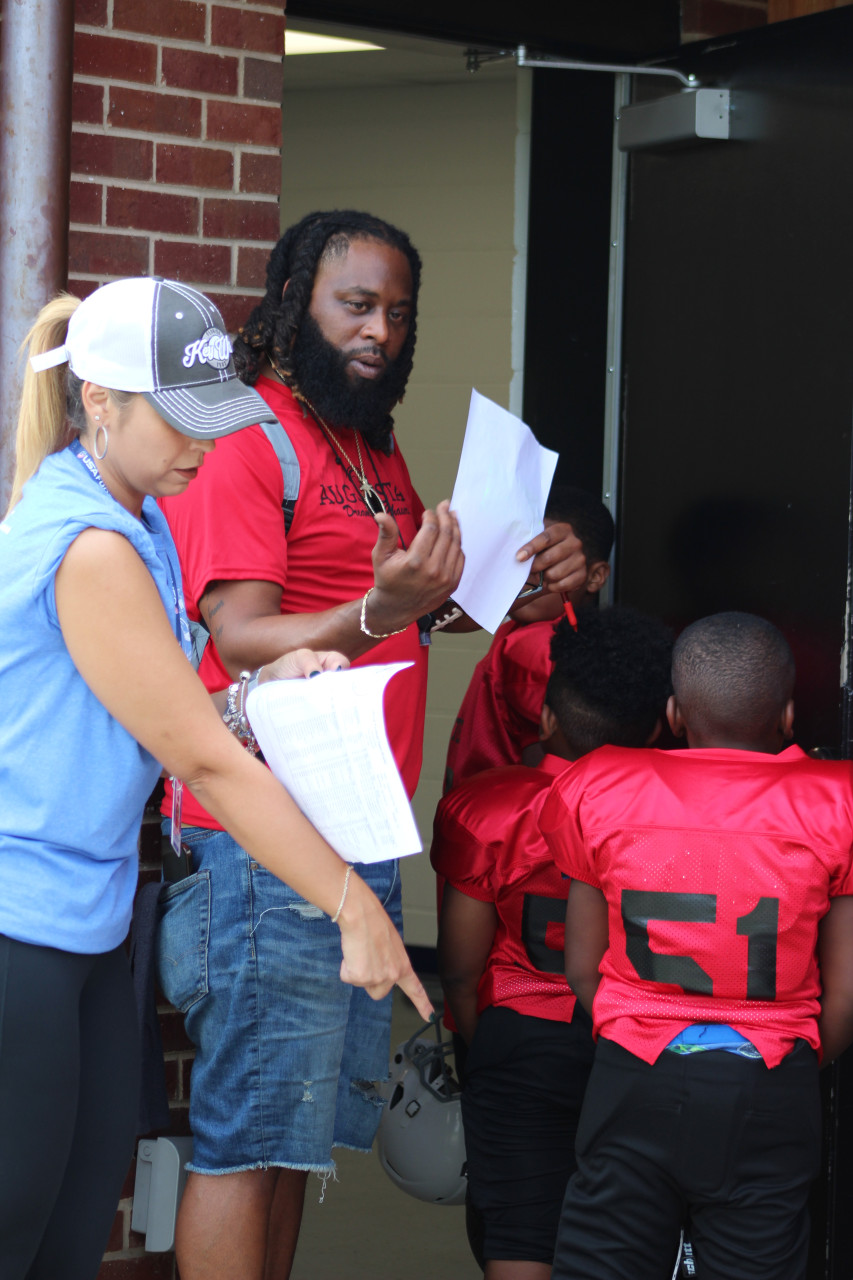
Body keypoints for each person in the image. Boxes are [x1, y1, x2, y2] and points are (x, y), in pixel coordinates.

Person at [158, 209, 590, 1280]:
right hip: (262, 841)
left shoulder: (370, 444)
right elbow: (242, 631)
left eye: (398, 313)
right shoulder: (248, 438)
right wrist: (383, 608)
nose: (380, 332)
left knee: (298, 1142)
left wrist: (505, 597)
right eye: (356, 305)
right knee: (246, 1138)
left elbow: (387, 603)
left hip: (353, 833)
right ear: (294, 302)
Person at [0, 277, 430, 1280]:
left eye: (214, 414)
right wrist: (350, 902)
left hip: (92, 921)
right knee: (20, 1221)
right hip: (23, 924)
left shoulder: (138, 511)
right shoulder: (94, 540)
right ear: (97, 398)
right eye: (177, 418)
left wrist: (260, 684)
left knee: (68, 1222)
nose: (201, 443)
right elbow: (199, 759)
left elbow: (155, 719)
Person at [540, 611, 853, 1280]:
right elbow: (845, 994)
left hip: (633, 1068)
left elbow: (581, 966)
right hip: (770, 1075)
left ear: (675, 713)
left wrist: (635, 1030)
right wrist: (791, 1057)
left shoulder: (597, 785)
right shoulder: (837, 800)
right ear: (788, 715)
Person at [431, 608, 673, 1280]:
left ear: (544, 720)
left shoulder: (486, 805)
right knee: (631, 1233)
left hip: (521, 1032)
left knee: (518, 1230)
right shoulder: (672, 811)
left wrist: (489, 1051)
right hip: (638, 1038)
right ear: (658, 726)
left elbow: (457, 967)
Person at [442, 485, 614, 793]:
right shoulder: (517, 631)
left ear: (595, 575)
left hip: (508, 826)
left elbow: (548, 780)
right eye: (519, 555)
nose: (528, 571)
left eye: (546, 558)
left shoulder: (542, 646)